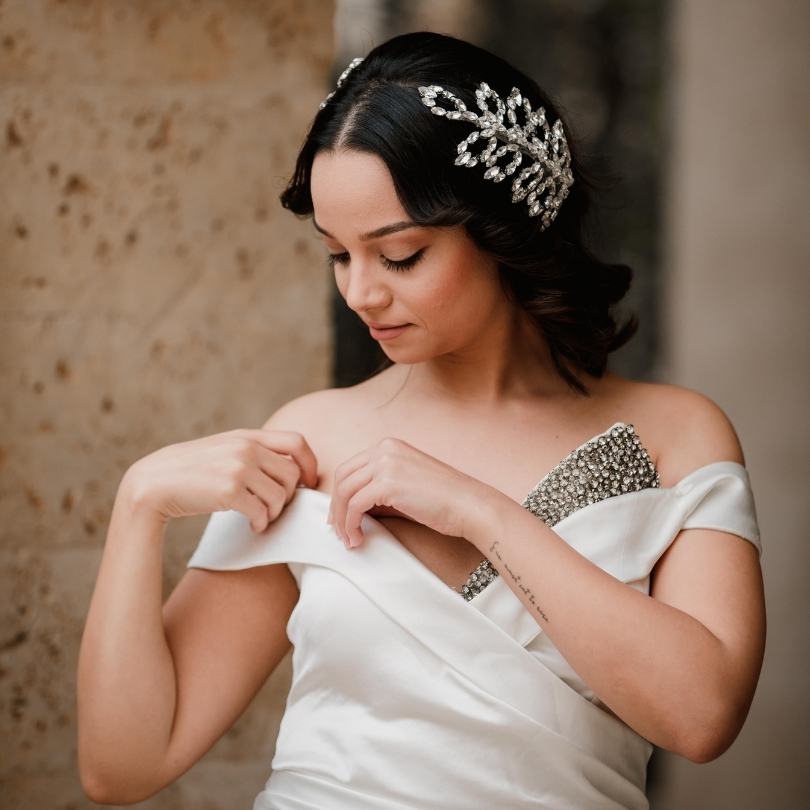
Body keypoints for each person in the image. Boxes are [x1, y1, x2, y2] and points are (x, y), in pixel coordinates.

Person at [77, 31, 766, 809]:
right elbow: (123, 765)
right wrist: (138, 505)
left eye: (398, 255)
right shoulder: (316, 439)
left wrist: (479, 512)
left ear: (505, 233)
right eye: (338, 254)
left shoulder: (674, 437)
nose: (361, 293)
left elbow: (702, 716)